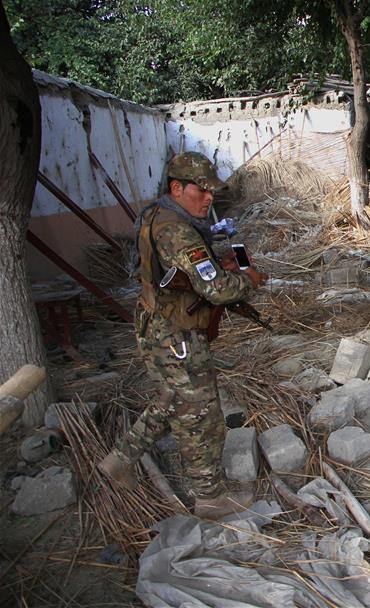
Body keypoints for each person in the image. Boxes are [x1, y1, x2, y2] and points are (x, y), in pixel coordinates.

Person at [98, 152, 268, 519]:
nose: (209, 199)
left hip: (158, 325)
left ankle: (121, 459)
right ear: (177, 188)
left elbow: (185, 273)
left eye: (212, 192)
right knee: (201, 415)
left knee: (174, 399)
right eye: (201, 190)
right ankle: (210, 497)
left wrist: (215, 264)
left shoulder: (158, 216)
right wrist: (247, 281)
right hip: (176, 335)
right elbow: (217, 289)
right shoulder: (177, 229)